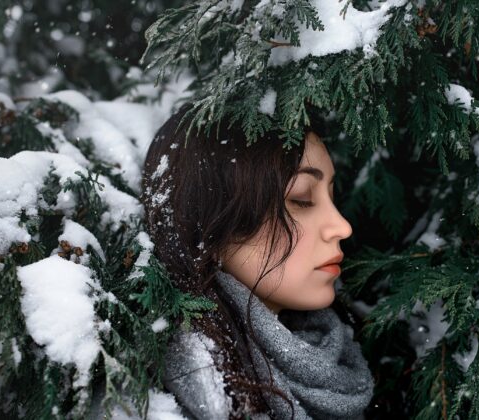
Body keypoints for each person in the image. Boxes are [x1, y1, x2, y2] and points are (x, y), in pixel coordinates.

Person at [141, 105, 374, 420]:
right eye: (302, 198)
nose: (342, 226)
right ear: (212, 223)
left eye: (333, 196)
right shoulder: (160, 398)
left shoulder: (338, 351)